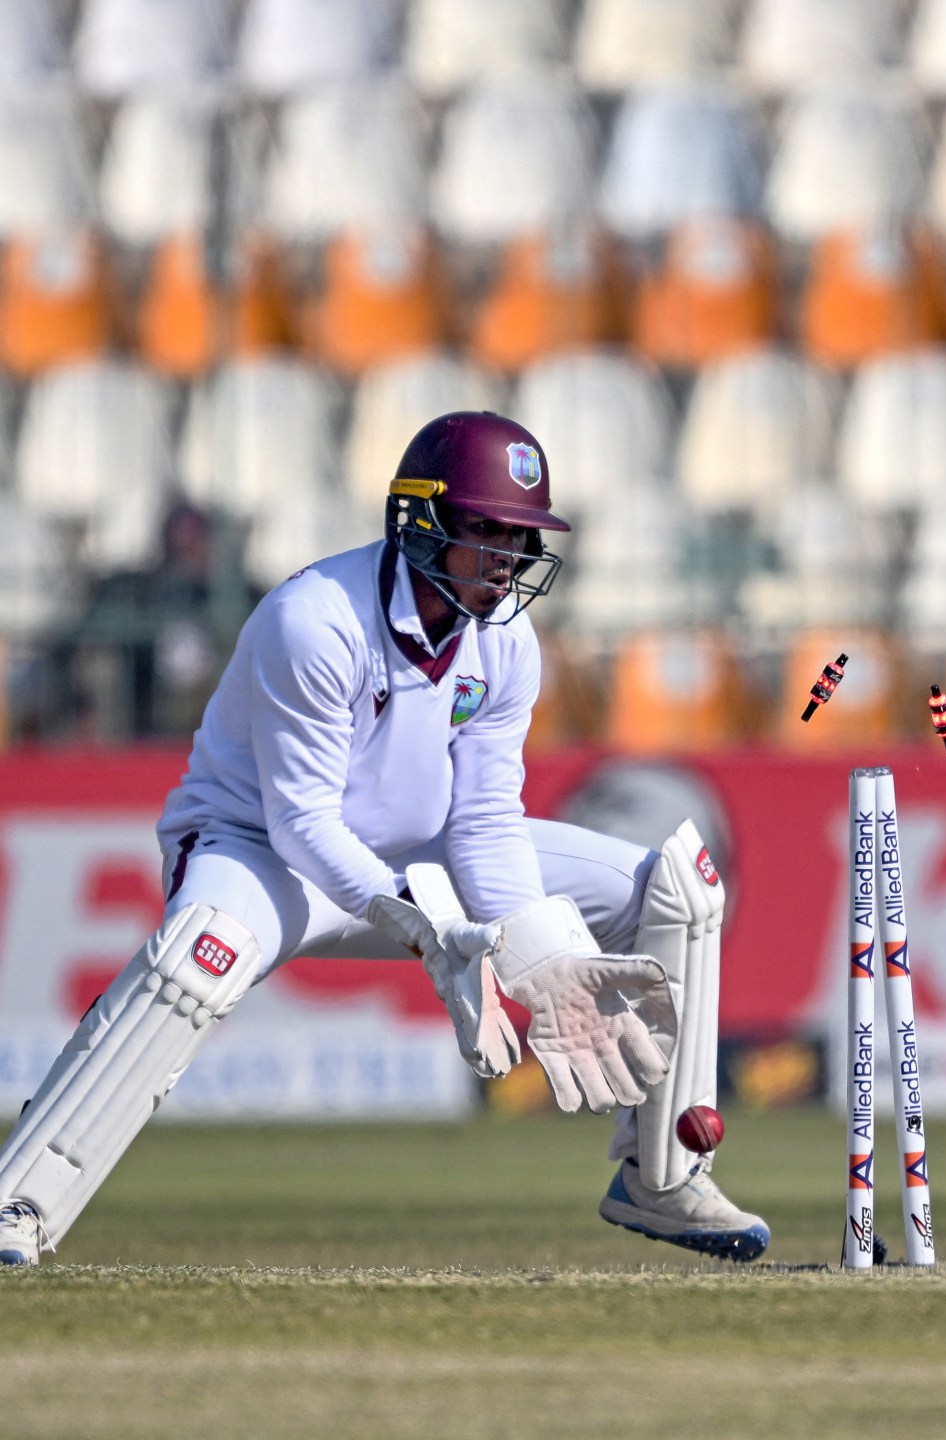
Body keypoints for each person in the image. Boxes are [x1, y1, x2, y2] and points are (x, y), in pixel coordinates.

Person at [0, 412, 767, 1267]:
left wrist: (538, 951)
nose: (508, 558)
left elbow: (482, 819)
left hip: (419, 854)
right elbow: (303, 824)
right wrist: (428, 926)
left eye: (520, 536)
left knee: (676, 886)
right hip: (256, 851)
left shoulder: (506, 640)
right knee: (199, 955)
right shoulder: (316, 620)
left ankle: (663, 1178)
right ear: (421, 519)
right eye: (486, 530)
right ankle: (20, 1202)